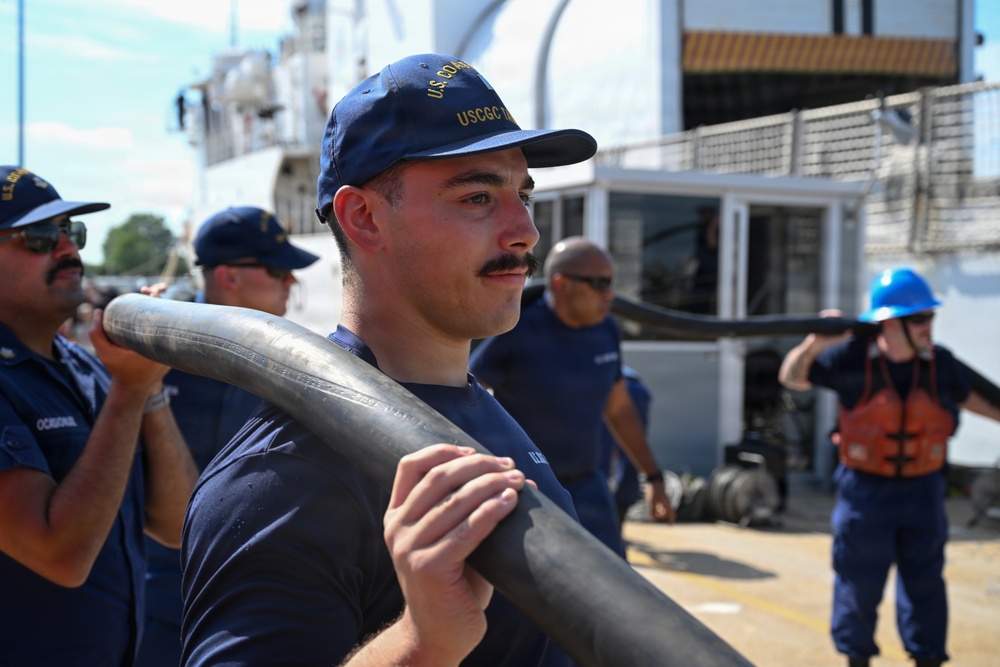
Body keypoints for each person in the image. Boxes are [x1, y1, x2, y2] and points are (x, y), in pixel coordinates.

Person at [180, 53, 598, 666]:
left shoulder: (471, 403)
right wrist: (421, 645)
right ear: (364, 218)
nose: (525, 231)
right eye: (478, 197)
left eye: (523, 195)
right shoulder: (280, 478)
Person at [0, 166, 198, 665]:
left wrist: (147, 384)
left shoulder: (86, 366)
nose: (69, 250)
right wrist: (129, 389)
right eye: (40, 237)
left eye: (71, 232)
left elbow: (177, 523)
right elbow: (59, 556)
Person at [778, 267, 1000, 667]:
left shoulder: (941, 365)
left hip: (923, 491)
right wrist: (814, 343)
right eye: (919, 318)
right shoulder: (852, 360)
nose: (928, 326)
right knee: (858, 583)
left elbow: (978, 399)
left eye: (930, 316)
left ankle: (927, 658)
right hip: (866, 492)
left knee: (925, 584)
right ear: (890, 323)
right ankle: (857, 659)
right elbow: (793, 378)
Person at [136, 206, 319, 666]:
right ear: (227, 276)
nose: (291, 281)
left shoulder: (287, 354)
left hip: (256, 602)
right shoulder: (154, 345)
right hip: (163, 608)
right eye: (277, 270)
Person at [470, 236, 675, 560]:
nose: (609, 294)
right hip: (530, 490)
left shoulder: (606, 330)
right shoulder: (515, 330)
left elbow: (619, 408)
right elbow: (466, 399)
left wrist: (653, 476)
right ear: (561, 284)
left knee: (614, 581)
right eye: (599, 284)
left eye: (611, 283)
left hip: (589, 487)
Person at [597, 365, 652, 531]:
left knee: (599, 457)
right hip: (638, 389)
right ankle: (620, 515)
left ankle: (602, 518)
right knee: (631, 453)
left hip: (611, 388)